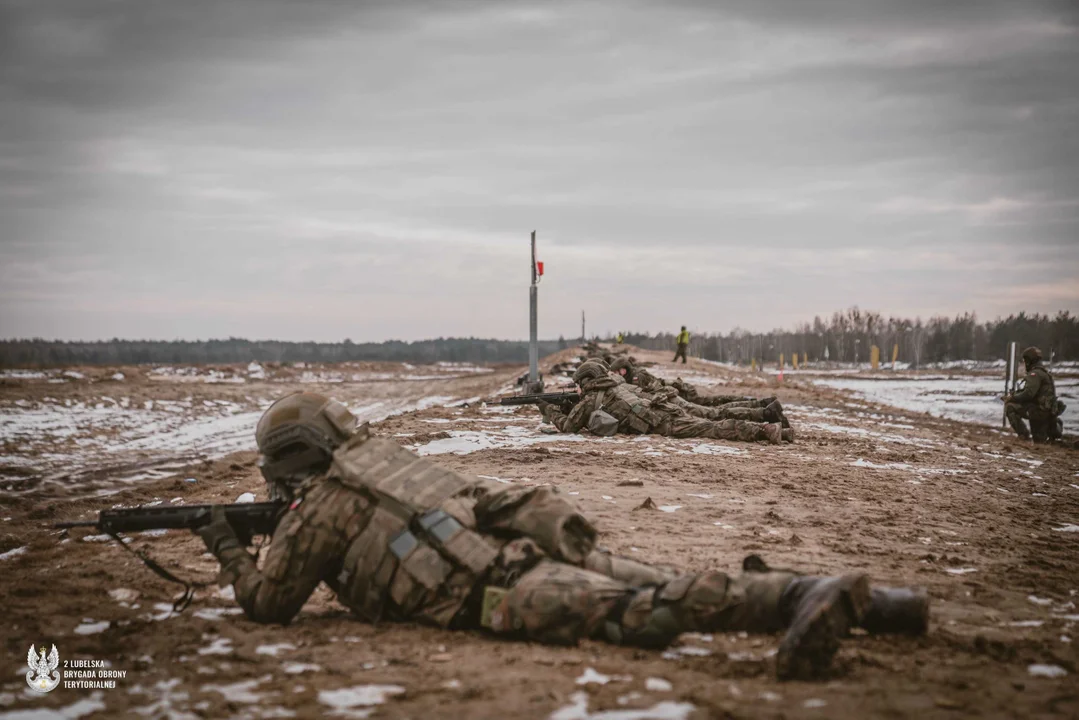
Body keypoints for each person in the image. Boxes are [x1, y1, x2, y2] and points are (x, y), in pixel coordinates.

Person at [194, 392, 928, 681]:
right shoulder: (386, 465)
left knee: (645, 614)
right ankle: (875, 603)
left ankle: (808, 596)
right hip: (527, 551)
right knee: (656, 580)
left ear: (285, 458)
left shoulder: (320, 507)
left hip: (500, 590)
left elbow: (269, 604)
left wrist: (224, 543)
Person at [540, 361, 792, 443]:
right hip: (663, 410)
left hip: (663, 421)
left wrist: (549, 410)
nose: (578, 388)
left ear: (587, 380)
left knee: (714, 426)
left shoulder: (593, 397)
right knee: (713, 418)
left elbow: (569, 427)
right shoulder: (613, 387)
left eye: (579, 383)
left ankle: (766, 429)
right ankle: (775, 427)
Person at [607, 357, 789, 427]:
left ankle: (762, 410)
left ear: (623, 370)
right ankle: (763, 407)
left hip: (678, 398)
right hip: (676, 398)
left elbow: (656, 391)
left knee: (716, 411)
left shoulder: (638, 377)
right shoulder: (634, 377)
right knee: (717, 409)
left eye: (615, 373)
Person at [1005, 347, 1064, 443]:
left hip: (1039, 411)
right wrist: (1017, 394)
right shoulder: (1043, 373)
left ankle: (1024, 435)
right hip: (1046, 411)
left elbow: (1028, 394)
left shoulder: (1035, 374)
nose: (1024, 363)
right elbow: (1032, 392)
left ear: (1029, 360)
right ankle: (1054, 427)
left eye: (1025, 361)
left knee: (1010, 407)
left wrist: (1012, 398)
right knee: (1039, 441)